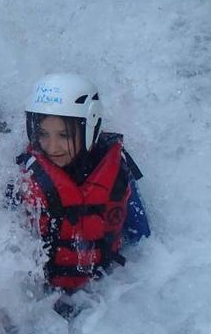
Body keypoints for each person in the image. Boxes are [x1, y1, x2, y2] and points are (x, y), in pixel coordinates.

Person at [15, 72, 151, 296]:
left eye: (64, 135)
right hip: (43, 298)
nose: (52, 147)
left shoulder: (117, 171)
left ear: (90, 127)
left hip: (102, 294)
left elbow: (142, 238)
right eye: (43, 134)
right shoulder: (25, 178)